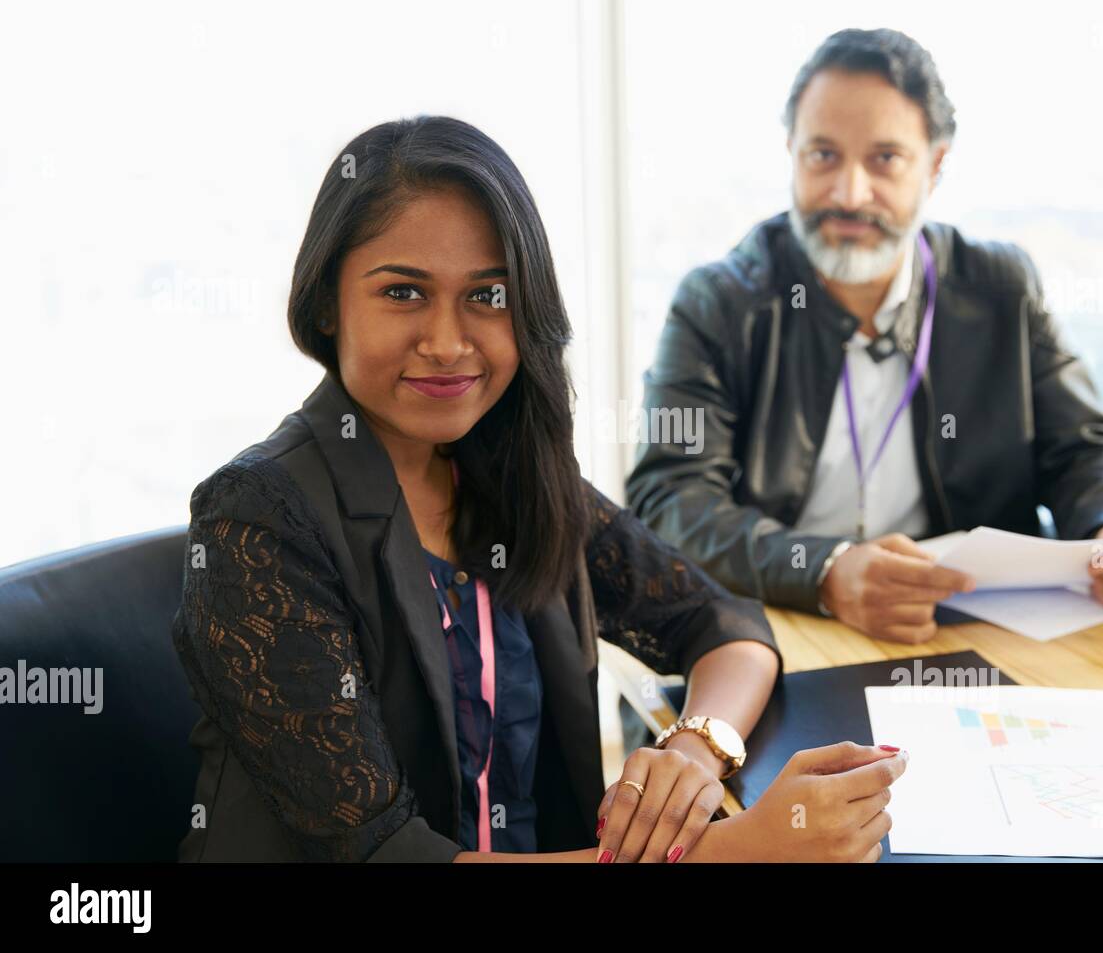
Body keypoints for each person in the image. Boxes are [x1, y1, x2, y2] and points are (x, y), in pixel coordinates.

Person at [170, 115, 904, 863]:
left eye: (488, 296)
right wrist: (733, 853)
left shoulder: (510, 473)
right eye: (403, 293)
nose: (450, 342)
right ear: (329, 302)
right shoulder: (255, 520)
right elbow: (384, 856)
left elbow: (722, 623)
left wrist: (693, 750)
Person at [625, 28, 1103, 644]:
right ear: (791, 150)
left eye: (884, 159)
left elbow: (1084, 450)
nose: (849, 193)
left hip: (964, 627)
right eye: (823, 155)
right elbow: (669, 500)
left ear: (936, 165)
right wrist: (825, 569)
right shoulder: (719, 303)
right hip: (781, 627)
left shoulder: (1001, 286)